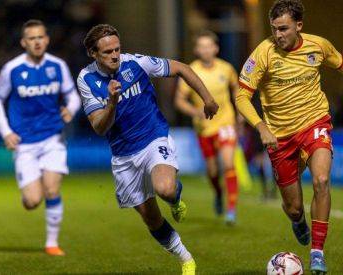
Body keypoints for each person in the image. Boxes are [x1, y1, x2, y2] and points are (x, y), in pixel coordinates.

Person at [77, 24, 218, 275]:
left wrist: (207, 99)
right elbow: (99, 127)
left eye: (117, 49)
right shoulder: (86, 79)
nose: (114, 56)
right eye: (107, 51)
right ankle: (186, 258)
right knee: (151, 218)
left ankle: (175, 196)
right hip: (123, 155)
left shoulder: (137, 63)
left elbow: (182, 68)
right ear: (93, 54)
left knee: (165, 188)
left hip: (154, 138)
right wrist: (112, 102)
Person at [235, 0, 342, 273]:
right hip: (279, 137)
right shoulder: (263, 53)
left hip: (315, 123)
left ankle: (317, 251)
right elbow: (241, 96)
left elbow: (339, 63)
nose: (278, 35)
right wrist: (261, 126)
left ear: (299, 25)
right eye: (274, 29)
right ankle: (298, 222)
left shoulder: (318, 46)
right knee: (293, 208)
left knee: (321, 179)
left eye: (284, 29)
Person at [0, 19, 81, 256]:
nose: (37, 42)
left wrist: (70, 109)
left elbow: (73, 96)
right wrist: (6, 132)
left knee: (52, 189)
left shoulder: (58, 66)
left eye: (41, 37)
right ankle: (29, 195)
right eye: (32, 38)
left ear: (47, 39)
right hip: (25, 143)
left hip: (53, 138)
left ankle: (52, 243)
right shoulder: (12, 69)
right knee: (32, 201)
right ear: (24, 42)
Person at [175, 30, 239, 224]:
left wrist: (240, 113)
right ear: (196, 50)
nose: (205, 50)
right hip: (204, 127)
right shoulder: (190, 71)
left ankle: (231, 210)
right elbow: (179, 100)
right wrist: (195, 112)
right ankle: (218, 193)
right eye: (201, 46)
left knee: (228, 163)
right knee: (212, 172)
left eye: (208, 46)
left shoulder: (227, 69)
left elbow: (236, 91)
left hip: (226, 122)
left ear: (216, 48)